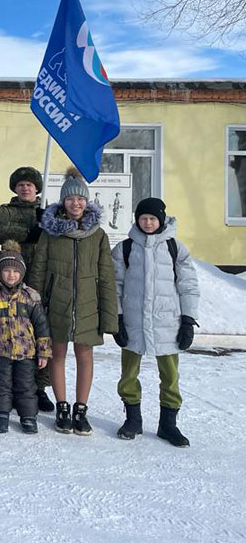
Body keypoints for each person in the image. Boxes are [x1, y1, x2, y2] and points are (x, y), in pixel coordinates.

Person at [27, 167, 118, 435]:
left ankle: (81, 409)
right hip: (57, 303)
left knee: (85, 355)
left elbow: (107, 276)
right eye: (70, 199)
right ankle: (62, 408)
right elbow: (38, 271)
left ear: (86, 202)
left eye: (80, 199)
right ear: (63, 202)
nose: (75, 204)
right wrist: (33, 307)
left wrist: (110, 315)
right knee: (57, 354)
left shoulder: (98, 235)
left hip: (89, 305)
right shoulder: (50, 233)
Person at [112, 197, 199, 447]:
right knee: (128, 374)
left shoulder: (175, 248)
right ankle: (133, 419)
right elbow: (115, 286)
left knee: (170, 375)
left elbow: (188, 285)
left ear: (161, 220)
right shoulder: (124, 249)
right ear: (137, 220)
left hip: (167, 322)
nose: (148, 223)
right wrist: (117, 317)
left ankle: (168, 424)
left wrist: (188, 319)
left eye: (152, 218)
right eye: (143, 218)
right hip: (133, 321)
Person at [0, 166, 53, 412]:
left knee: (38, 332)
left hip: (41, 279)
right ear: (15, 188)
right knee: (9, 333)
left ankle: (39, 388)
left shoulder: (50, 212)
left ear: (37, 188)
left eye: (30, 184)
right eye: (21, 185)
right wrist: (28, 232)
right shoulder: (5, 211)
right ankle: (9, 387)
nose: (26, 188)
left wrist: (47, 224)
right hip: (10, 281)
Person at [0, 241, 52, 434]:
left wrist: (43, 352)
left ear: (22, 273)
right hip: (0, 350)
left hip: (26, 352)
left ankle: (28, 416)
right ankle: (1, 414)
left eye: (15, 271)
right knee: (1, 384)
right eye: (7, 271)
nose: (11, 275)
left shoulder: (30, 296)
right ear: (0, 272)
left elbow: (42, 326)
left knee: (26, 385)